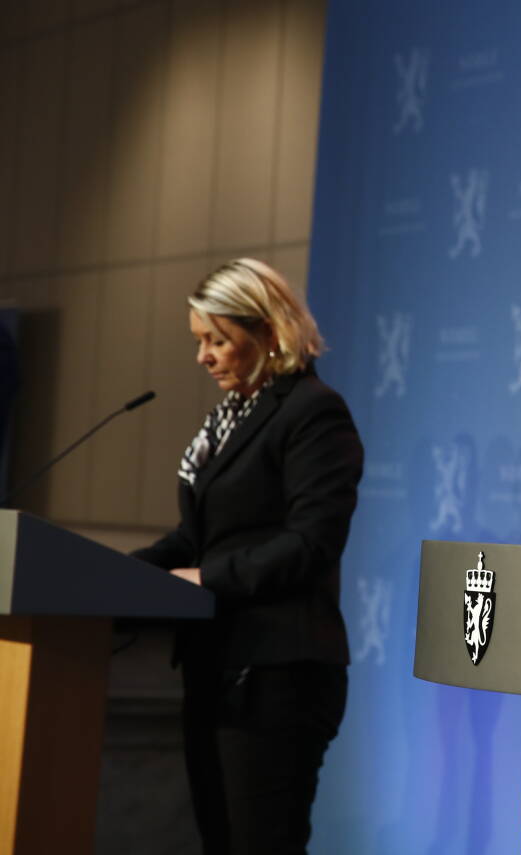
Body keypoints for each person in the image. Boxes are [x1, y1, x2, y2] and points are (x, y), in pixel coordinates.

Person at [134, 258, 363, 854]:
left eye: (217, 340)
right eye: (199, 341)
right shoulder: (227, 422)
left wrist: (205, 578)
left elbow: (310, 543)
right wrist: (120, 574)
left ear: (267, 332)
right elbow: (198, 536)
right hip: (217, 664)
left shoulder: (313, 413)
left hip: (277, 673)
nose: (203, 357)